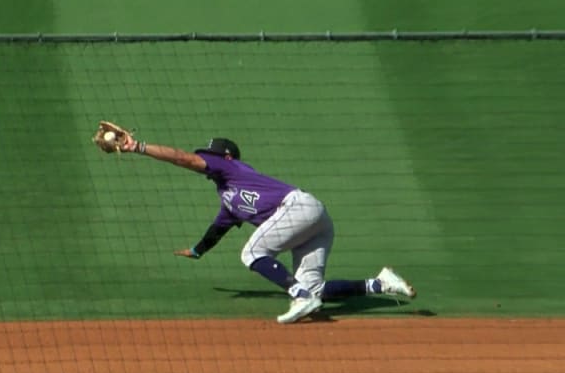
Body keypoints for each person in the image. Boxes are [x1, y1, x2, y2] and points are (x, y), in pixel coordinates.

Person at [94, 122, 417, 324]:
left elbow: (182, 157)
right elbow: (217, 229)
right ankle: (380, 283)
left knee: (252, 254)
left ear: (226, 157)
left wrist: (138, 147)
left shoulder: (230, 168)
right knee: (315, 289)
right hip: (312, 222)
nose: (207, 158)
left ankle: (299, 296)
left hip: (298, 208)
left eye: (211, 155)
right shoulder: (227, 197)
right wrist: (197, 250)